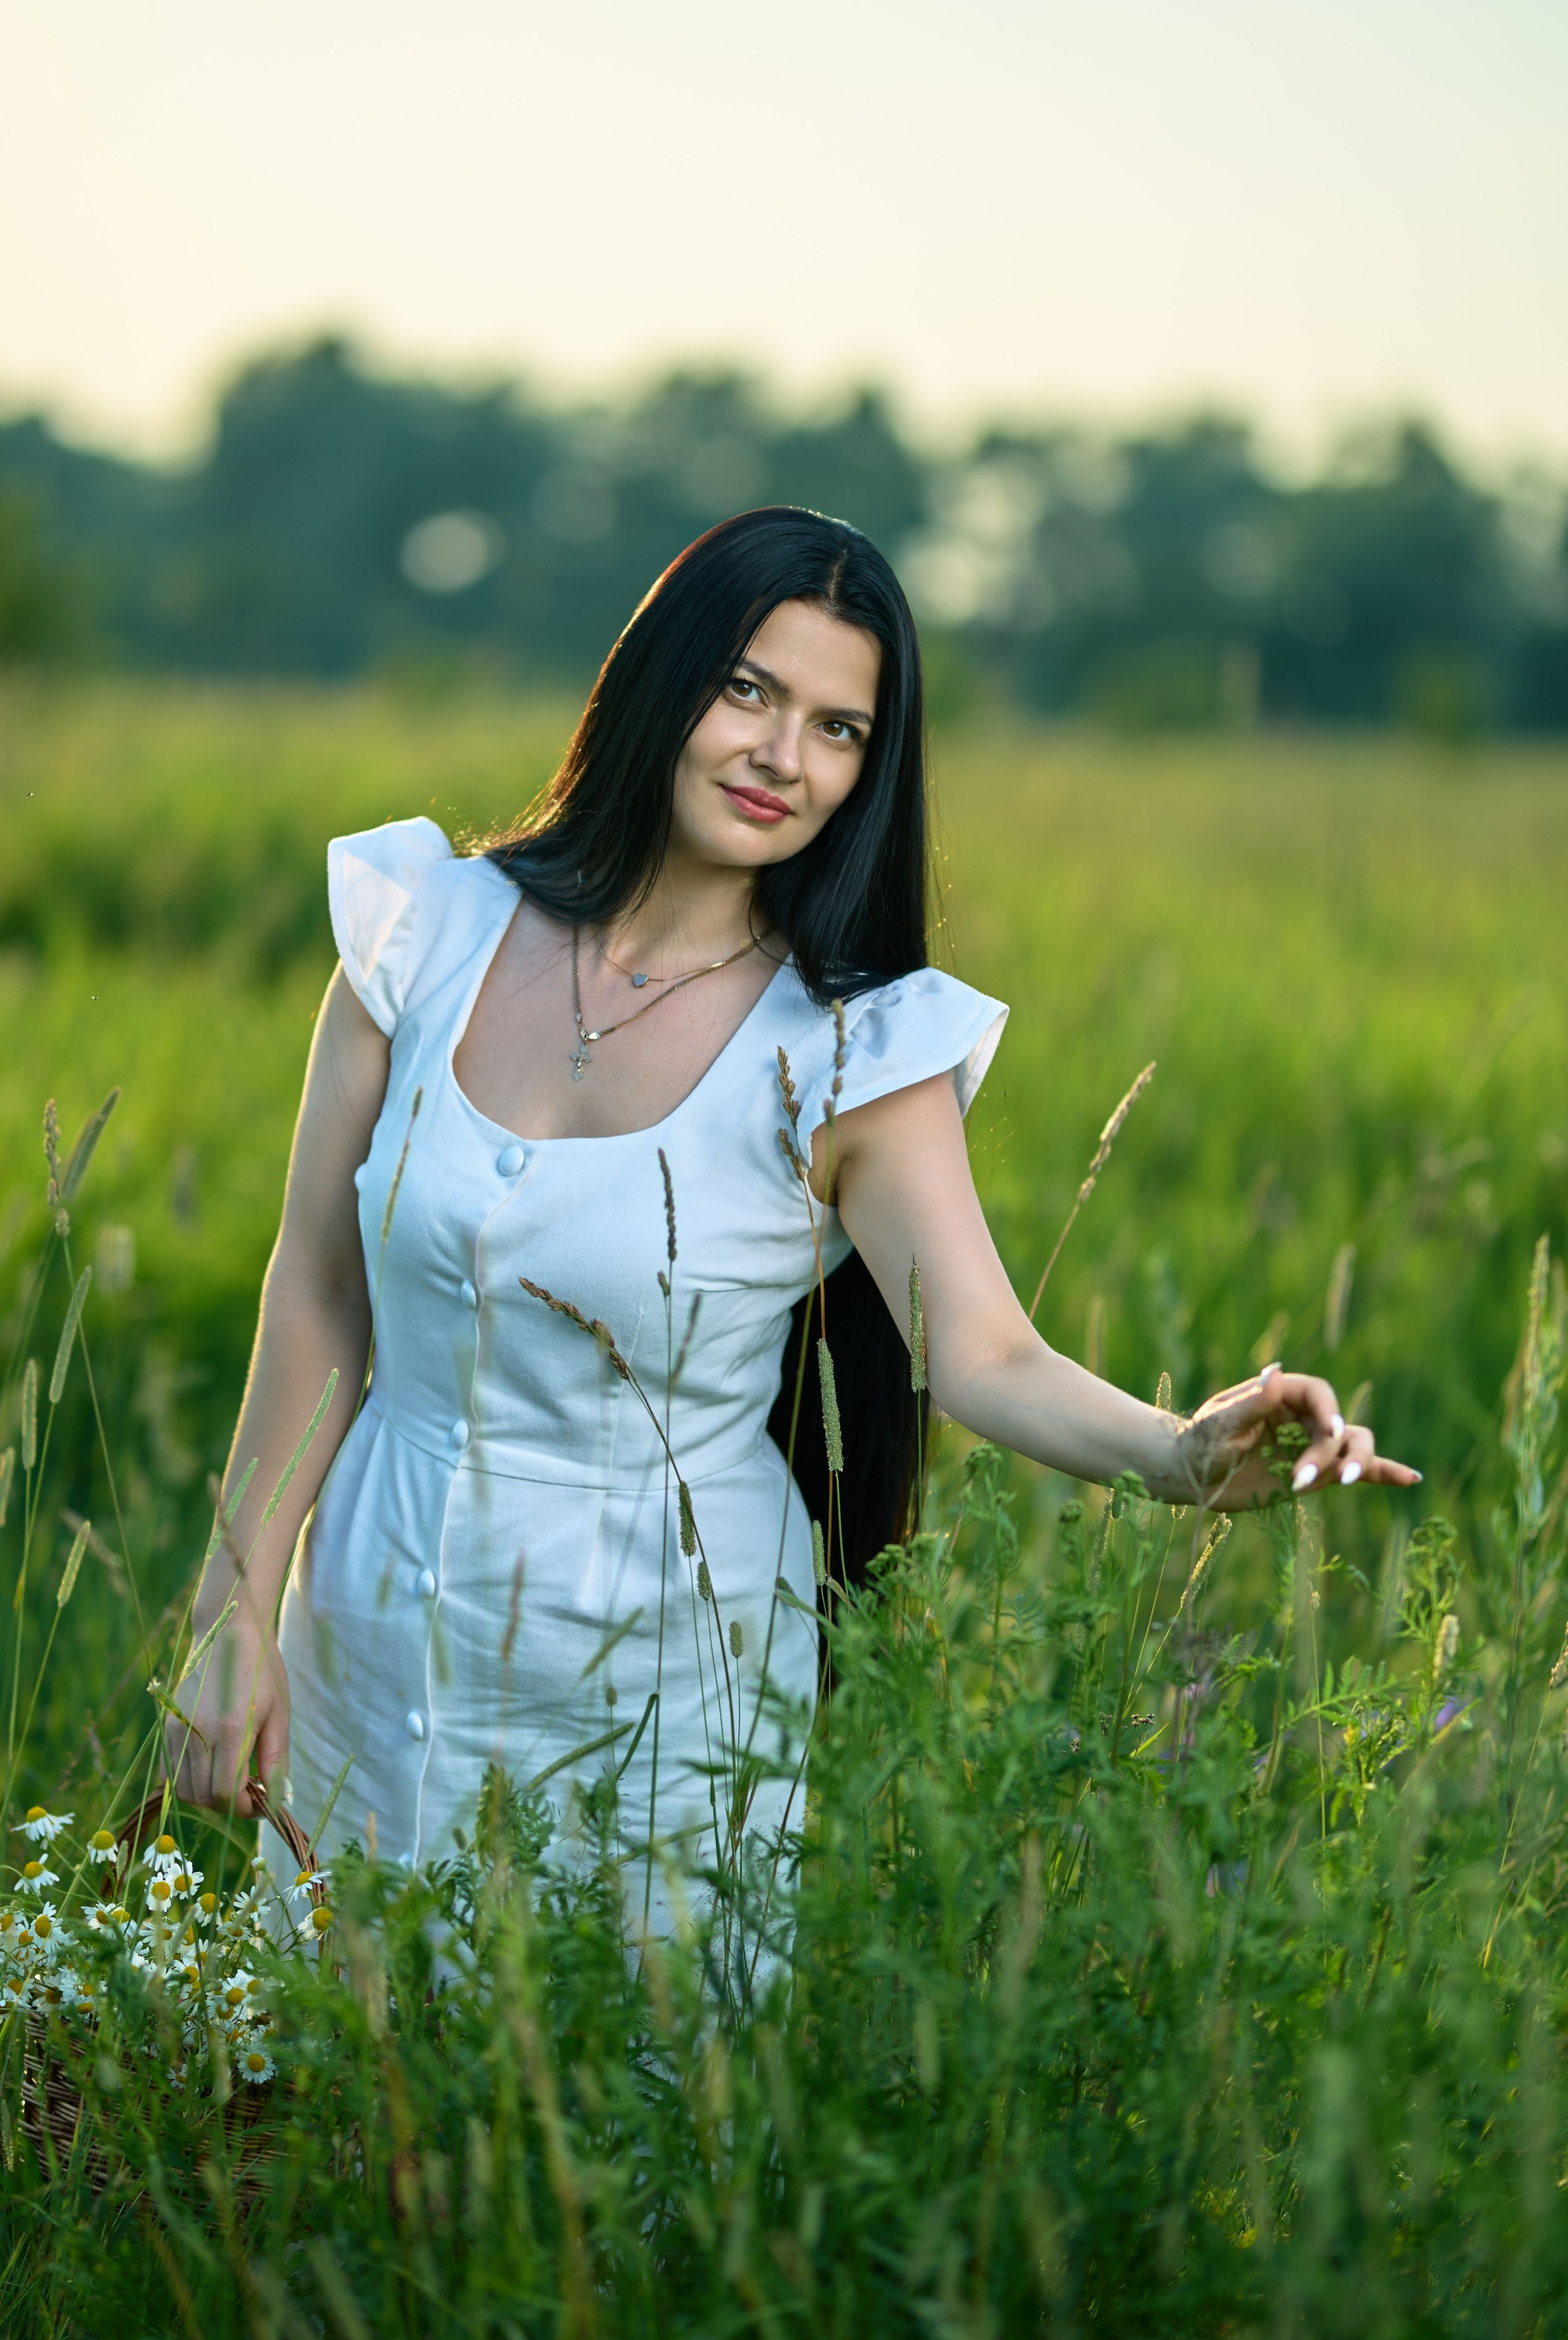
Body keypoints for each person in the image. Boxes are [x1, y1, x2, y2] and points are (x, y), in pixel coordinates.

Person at [165, 506, 1416, 1903]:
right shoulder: (423, 933)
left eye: (840, 728)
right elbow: (320, 1289)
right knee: (340, 2077)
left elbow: (982, 1352)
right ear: (659, 681)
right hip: (370, 1623)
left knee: (632, 2097)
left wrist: (1185, 1456)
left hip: (667, 1682)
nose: (782, 757)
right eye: (749, 690)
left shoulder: (852, 1053)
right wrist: (234, 1601)